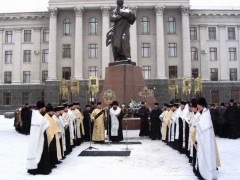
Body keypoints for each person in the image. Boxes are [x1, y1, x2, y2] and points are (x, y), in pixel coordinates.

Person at [195, 97, 221, 180]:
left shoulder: (206, 113)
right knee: (202, 157)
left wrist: (197, 124)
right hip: (203, 140)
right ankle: (201, 172)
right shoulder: (203, 113)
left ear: (201, 105)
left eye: (198, 105)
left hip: (206, 141)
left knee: (206, 157)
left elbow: (204, 127)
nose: (197, 106)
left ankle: (207, 174)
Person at [27, 101, 52, 175]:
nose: (45, 108)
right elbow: (41, 124)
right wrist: (46, 124)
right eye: (44, 107)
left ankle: (42, 168)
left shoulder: (38, 115)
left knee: (41, 151)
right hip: (38, 137)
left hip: (41, 135)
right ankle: (39, 169)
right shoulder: (36, 115)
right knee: (39, 151)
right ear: (41, 108)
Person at [44, 103, 62, 168]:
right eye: (52, 111)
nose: (53, 112)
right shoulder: (46, 117)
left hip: (53, 134)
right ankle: (51, 163)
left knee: (54, 149)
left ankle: (54, 162)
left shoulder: (50, 117)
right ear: (49, 111)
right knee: (51, 150)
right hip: (50, 135)